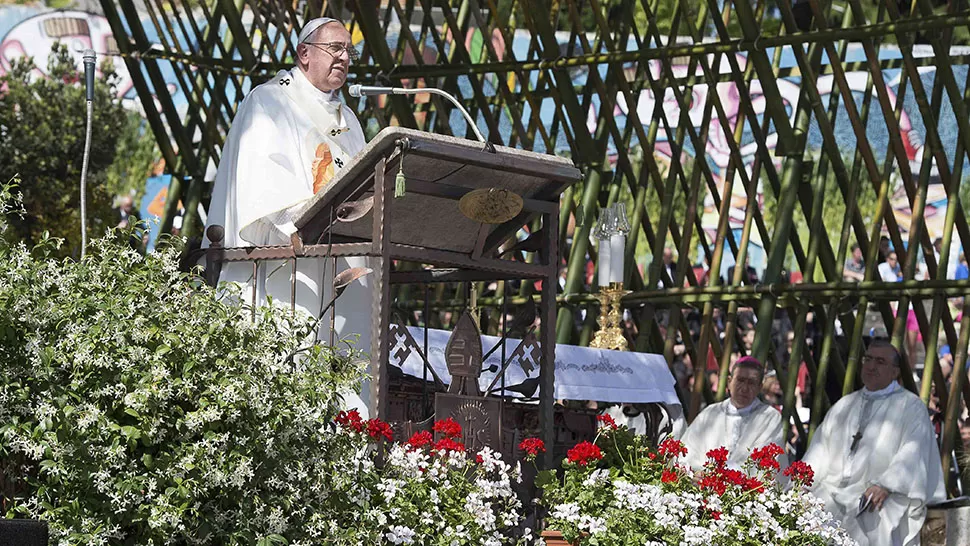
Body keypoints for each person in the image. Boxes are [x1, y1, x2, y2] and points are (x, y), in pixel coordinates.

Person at [202, 17, 373, 414]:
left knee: (345, 375)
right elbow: (264, 185)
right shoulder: (270, 102)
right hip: (288, 266)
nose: (345, 58)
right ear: (304, 53)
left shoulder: (350, 121)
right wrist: (313, 219)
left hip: (341, 261)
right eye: (336, 48)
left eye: (350, 51)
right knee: (289, 369)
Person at [802, 340, 945, 546]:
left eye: (879, 361)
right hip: (833, 489)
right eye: (868, 359)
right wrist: (804, 483)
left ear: (895, 372)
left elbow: (913, 453)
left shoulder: (911, 406)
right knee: (807, 511)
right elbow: (819, 450)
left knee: (876, 518)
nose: (871, 366)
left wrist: (886, 485)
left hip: (882, 494)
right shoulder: (844, 405)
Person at [680, 356, 786, 472]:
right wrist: (697, 472)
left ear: (759, 387)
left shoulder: (769, 418)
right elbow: (687, 453)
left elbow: (766, 466)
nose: (744, 388)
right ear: (729, 382)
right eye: (740, 380)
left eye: (751, 383)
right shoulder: (710, 413)